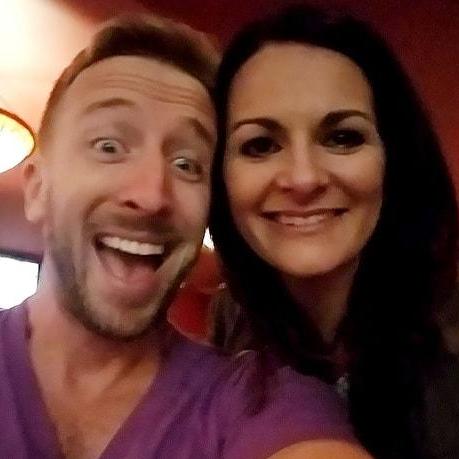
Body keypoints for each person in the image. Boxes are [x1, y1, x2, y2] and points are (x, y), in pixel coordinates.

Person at [0, 12, 372, 459]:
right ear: (37, 189)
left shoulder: (263, 401)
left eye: (187, 165)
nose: (152, 196)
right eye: (109, 147)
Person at [209, 5, 459, 459]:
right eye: (260, 145)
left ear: (392, 157)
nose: (303, 179)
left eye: (342, 137)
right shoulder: (233, 320)